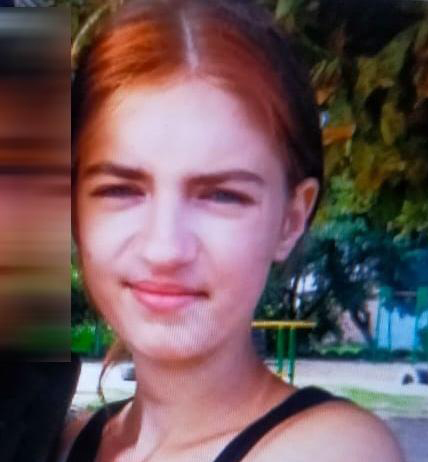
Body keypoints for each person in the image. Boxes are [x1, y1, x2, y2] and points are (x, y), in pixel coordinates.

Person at [63, 0, 404, 461]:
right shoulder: (61, 443)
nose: (165, 249)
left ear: (290, 220)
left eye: (223, 196)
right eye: (119, 190)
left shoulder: (332, 450)